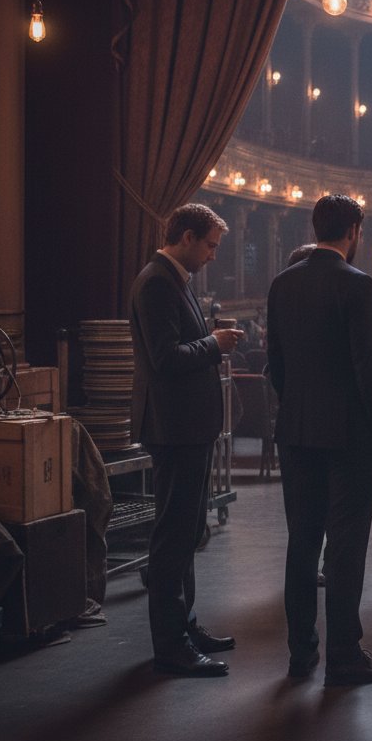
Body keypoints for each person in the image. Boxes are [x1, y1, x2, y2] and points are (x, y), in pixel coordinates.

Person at [267, 195, 372, 686]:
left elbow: (276, 363)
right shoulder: (357, 283)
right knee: (346, 544)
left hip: (297, 429)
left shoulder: (283, 282)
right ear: (355, 231)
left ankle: (302, 653)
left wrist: (297, 404)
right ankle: (344, 653)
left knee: (302, 542)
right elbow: (367, 365)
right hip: (350, 433)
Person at [130, 203, 242, 677]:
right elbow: (165, 358)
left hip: (187, 429)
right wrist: (214, 344)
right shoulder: (157, 281)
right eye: (211, 245)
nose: (214, 255)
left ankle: (185, 625)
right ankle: (170, 646)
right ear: (188, 237)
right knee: (173, 537)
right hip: (174, 430)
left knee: (189, 530)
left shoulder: (172, 279)